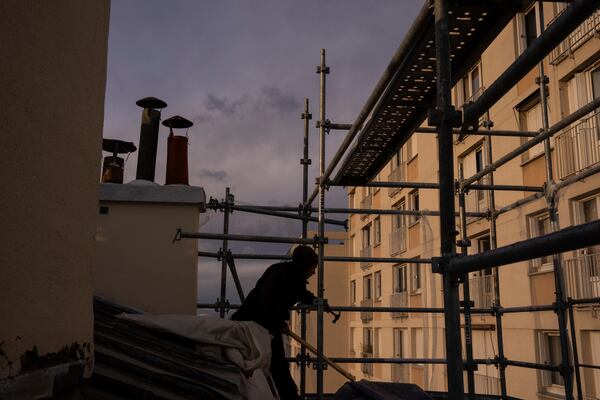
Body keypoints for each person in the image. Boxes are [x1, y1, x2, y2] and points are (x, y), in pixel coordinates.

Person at [231, 245, 318, 400]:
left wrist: (317, 301)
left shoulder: (294, 276)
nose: (314, 272)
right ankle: (288, 396)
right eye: (313, 267)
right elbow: (267, 299)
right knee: (276, 364)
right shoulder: (280, 274)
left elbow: (302, 294)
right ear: (305, 265)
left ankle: (286, 395)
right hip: (255, 323)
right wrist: (279, 323)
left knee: (275, 364)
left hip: (267, 324)